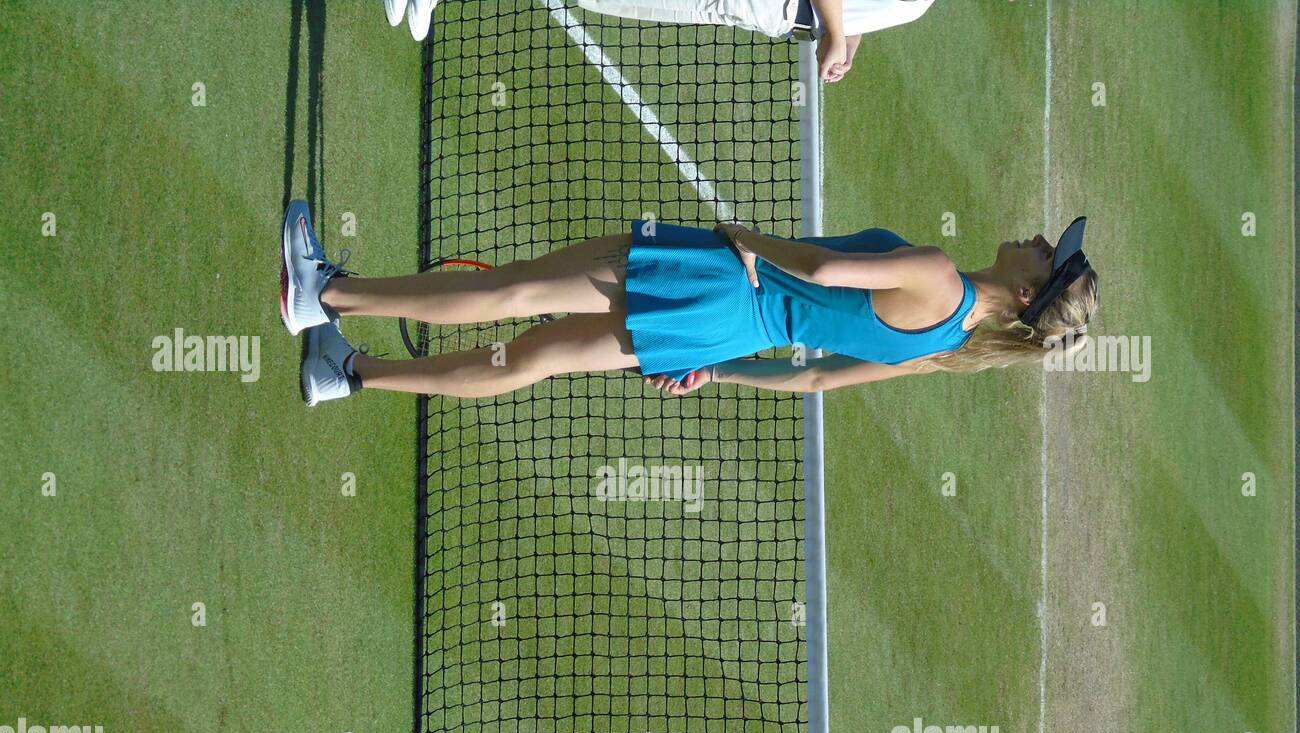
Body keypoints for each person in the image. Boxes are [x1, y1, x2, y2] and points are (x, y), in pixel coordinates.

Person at [279, 200, 1098, 407]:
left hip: (717, 280)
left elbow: (819, 271)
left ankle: (325, 292)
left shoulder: (939, 274)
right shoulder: (944, 346)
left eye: (1044, 253)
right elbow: (808, 382)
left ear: (1030, 290)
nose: (1034, 235)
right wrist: (720, 368)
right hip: (714, 331)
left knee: (517, 290)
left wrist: (745, 238)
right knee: (531, 361)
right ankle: (348, 373)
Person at [576, 0, 938, 83]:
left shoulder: (920, 5)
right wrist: (838, 36)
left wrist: (847, 43)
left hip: (767, 15)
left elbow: (858, 10)